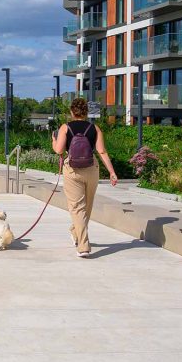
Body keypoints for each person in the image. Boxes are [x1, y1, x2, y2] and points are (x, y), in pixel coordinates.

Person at [51, 98, 118, 258]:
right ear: (86, 113)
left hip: (72, 170)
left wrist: (54, 141)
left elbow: (59, 150)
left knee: (77, 207)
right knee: (87, 206)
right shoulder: (94, 128)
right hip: (91, 169)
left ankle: (83, 246)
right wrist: (112, 171)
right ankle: (77, 232)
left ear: (72, 112)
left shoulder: (65, 128)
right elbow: (102, 151)